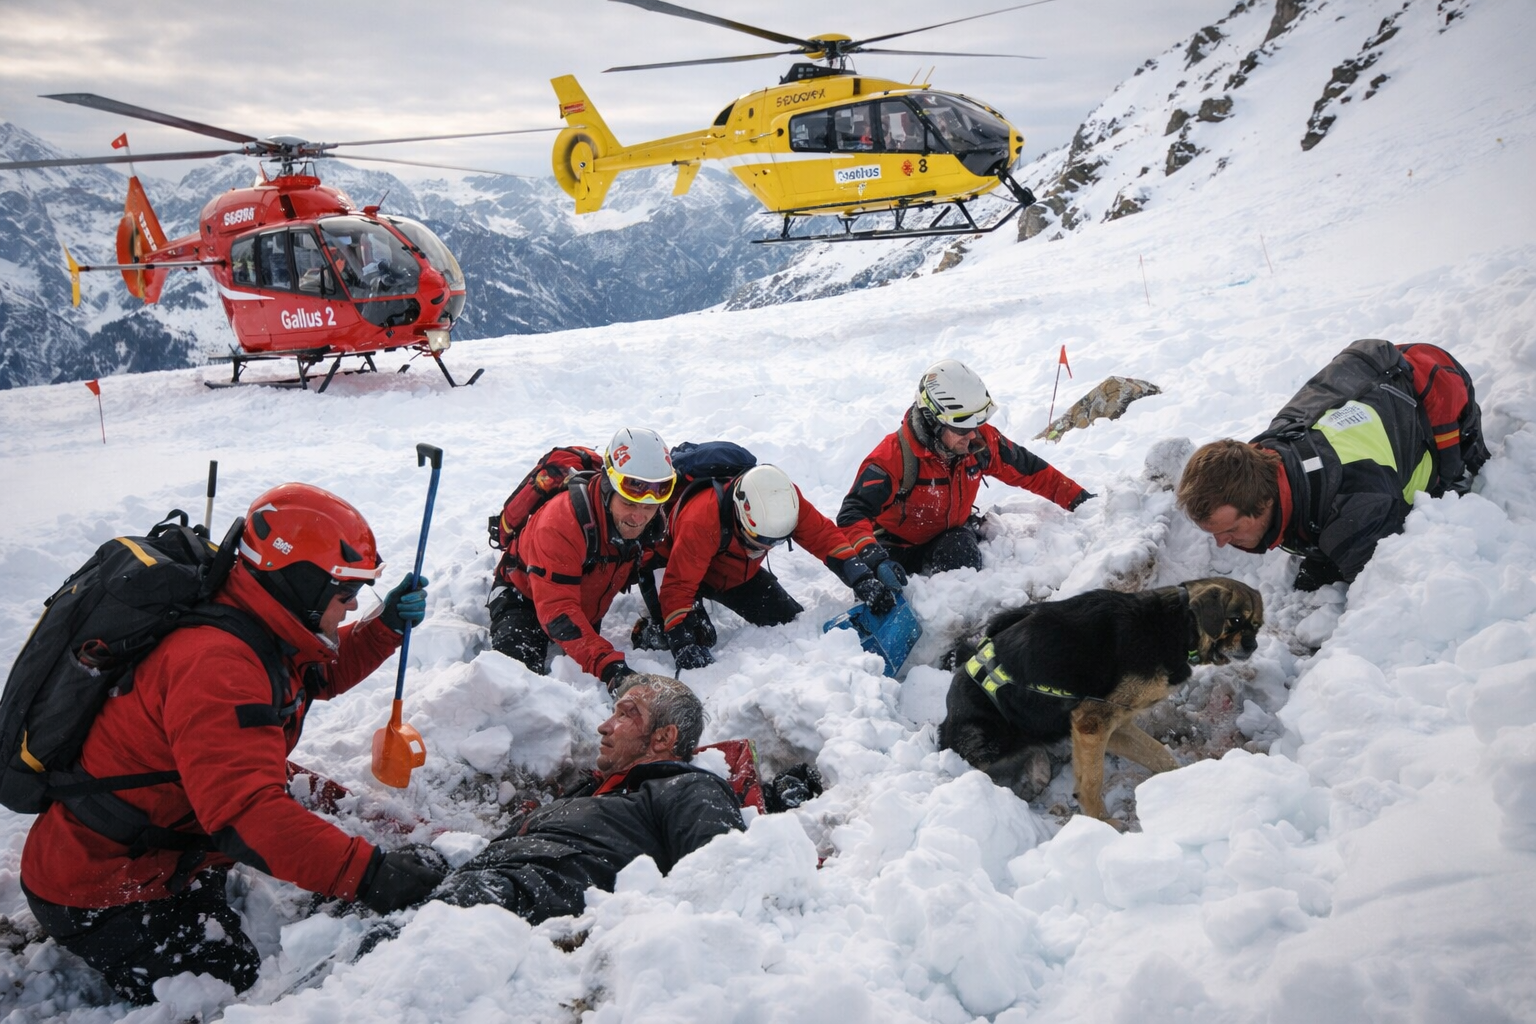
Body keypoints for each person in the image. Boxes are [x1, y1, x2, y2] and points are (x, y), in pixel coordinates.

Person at [19, 483, 449, 1005]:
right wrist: (373, 875)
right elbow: (248, 816)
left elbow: (314, 676)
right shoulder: (217, 665)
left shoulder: (256, 617)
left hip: (172, 833)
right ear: (301, 585)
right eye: (345, 592)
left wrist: (383, 628)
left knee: (337, 805)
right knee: (235, 987)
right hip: (104, 882)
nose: (354, 604)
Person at [1176, 338, 1488, 590]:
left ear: (1264, 500)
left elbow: (1390, 597)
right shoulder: (1263, 455)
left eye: (1229, 529)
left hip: (1441, 406)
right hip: (1373, 381)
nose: (1220, 543)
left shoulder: (1355, 508)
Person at [432, 674, 745, 922]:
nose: (604, 727)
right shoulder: (588, 793)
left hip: (524, 898)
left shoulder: (689, 788)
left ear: (664, 737)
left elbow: (723, 879)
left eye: (626, 714)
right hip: (477, 880)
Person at [838, 359, 1094, 576]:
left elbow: (1031, 471)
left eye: (977, 423)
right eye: (962, 428)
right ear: (932, 421)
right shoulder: (892, 458)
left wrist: (1084, 502)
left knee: (961, 557)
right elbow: (852, 515)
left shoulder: (979, 440)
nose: (972, 435)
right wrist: (872, 560)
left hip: (949, 536)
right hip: (896, 548)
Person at [641, 464, 900, 671]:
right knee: (697, 638)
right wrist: (681, 640)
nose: (764, 550)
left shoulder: (784, 500)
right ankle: (647, 630)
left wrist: (861, 577)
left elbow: (824, 537)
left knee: (786, 619)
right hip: (673, 562)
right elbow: (678, 585)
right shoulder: (700, 520)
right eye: (756, 543)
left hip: (730, 570)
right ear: (741, 517)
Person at [488, 427, 675, 693]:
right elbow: (559, 612)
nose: (638, 518)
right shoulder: (560, 523)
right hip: (522, 598)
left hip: (584, 604)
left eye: (648, 508)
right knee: (514, 688)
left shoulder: (651, 521)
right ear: (608, 486)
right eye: (630, 504)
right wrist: (611, 668)